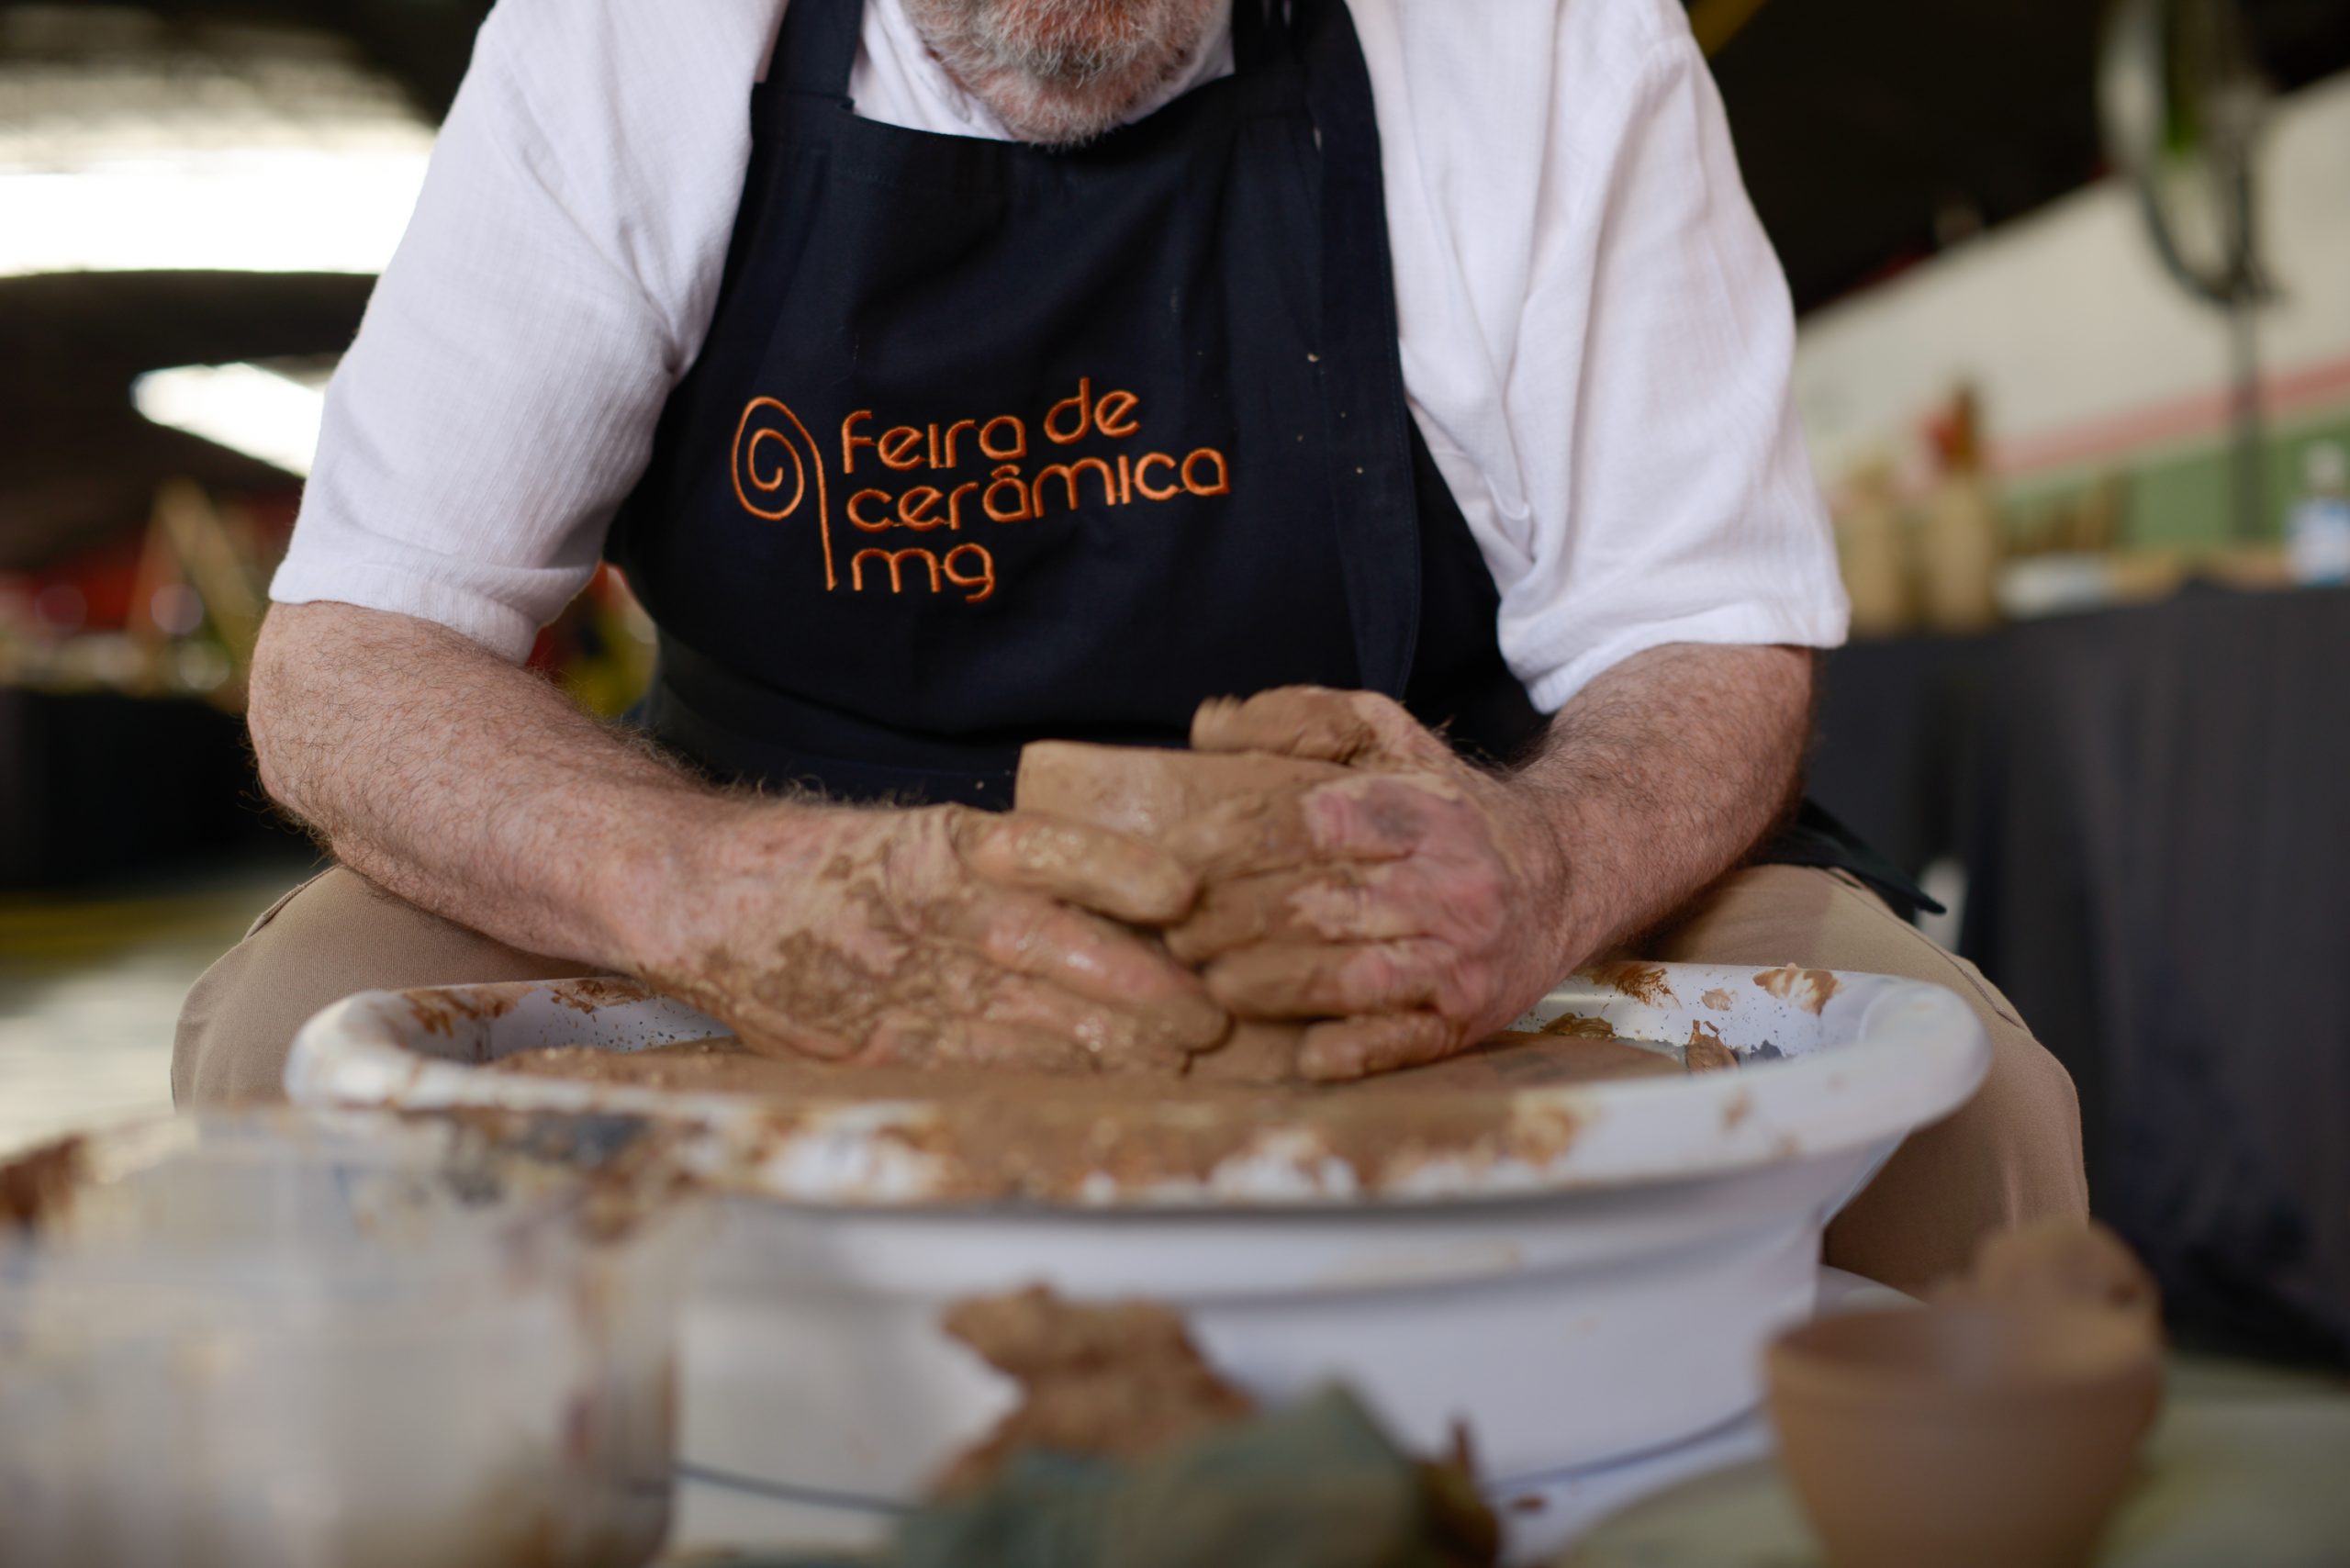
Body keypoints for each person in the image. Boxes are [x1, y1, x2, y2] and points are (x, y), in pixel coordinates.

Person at [174, 0, 2085, 1291]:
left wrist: (1545, 862)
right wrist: (698, 878)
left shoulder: (1532, 37)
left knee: (1957, 1102)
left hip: (1402, 873)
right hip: (776, 866)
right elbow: (349, 654)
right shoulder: (632, 40)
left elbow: (1700, 624)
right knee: (284, 1043)